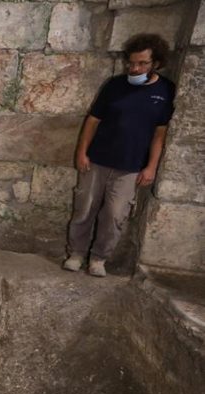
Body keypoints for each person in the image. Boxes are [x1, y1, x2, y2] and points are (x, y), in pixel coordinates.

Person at [64, 33, 176, 277]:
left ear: (155, 63)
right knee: (84, 209)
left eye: (142, 64)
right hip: (97, 160)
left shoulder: (165, 91)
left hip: (130, 165)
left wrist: (151, 167)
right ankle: (76, 253)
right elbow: (93, 121)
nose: (135, 68)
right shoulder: (114, 86)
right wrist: (82, 152)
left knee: (115, 215)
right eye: (132, 63)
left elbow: (160, 134)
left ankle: (99, 259)